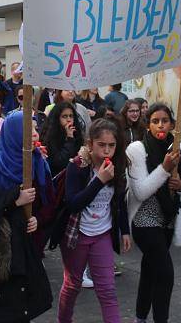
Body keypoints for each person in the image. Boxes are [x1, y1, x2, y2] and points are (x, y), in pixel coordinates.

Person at [0, 111, 54, 322]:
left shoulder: (38, 162)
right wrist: (13, 200)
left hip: (29, 244)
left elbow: (49, 202)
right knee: (8, 303)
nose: (35, 134)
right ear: (15, 134)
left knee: (28, 301)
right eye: (29, 130)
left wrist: (39, 219)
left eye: (35, 128)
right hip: (3, 248)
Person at [53, 119, 130, 323]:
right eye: (101, 145)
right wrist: (99, 181)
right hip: (76, 236)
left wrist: (125, 230)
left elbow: (119, 201)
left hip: (102, 234)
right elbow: (73, 203)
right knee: (73, 284)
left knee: (107, 290)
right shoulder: (77, 166)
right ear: (90, 143)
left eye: (111, 145)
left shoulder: (117, 165)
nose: (106, 150)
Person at [127, 103, 181, 323]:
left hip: (167, 220)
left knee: (150, 270)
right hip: (144, 220)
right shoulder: (137, 149)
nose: (160, 125)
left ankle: (140, 317)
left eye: (164, 120)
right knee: (165, 274)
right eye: (155, 121)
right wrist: (164, 169)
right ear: (148, 125)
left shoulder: (179, 148)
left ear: (172, 123)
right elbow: (140, 191)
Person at [43, 102, 82, 177]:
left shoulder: (76, 134)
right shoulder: (50, 137)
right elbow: (60, 163)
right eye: (64, 116)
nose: (69, 120)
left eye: (71, 116)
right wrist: (69, 139)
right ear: (57, 118)